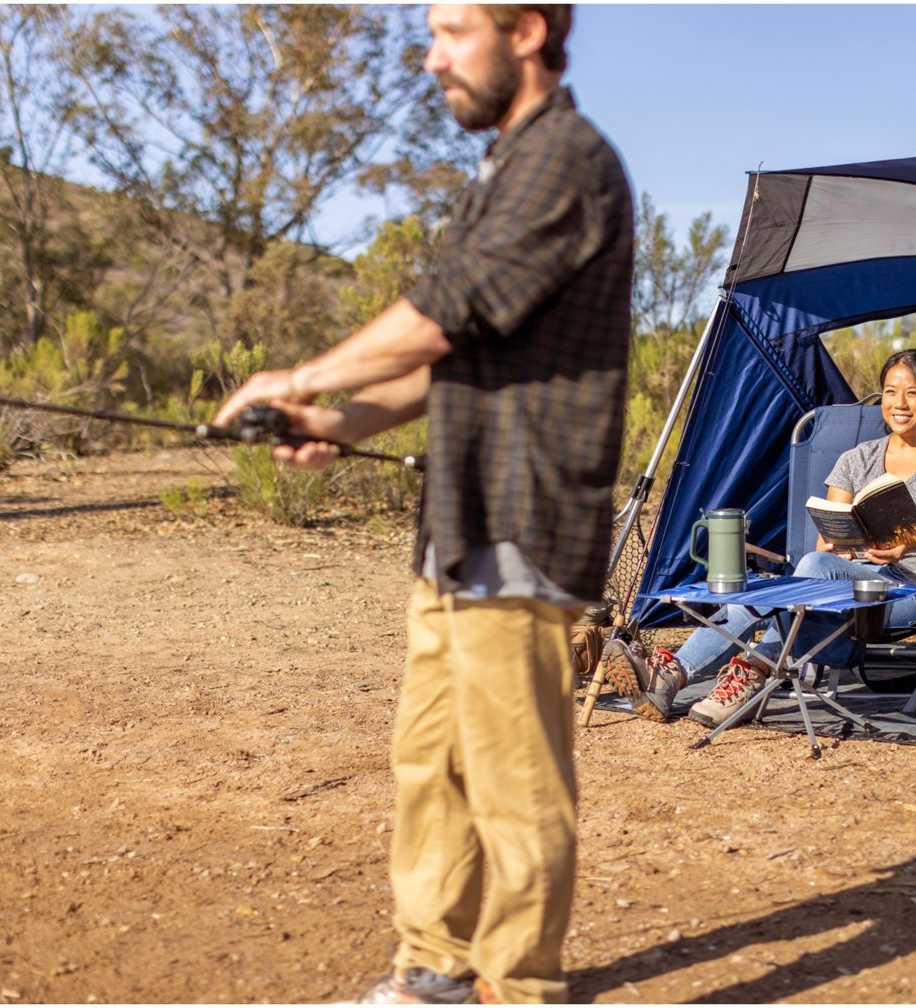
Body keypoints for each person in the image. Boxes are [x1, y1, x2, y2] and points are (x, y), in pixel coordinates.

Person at [212, 5, 632, 1003]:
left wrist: (297, 376)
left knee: (517, 789)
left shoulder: (566, 157)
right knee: (430, 769)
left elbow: (449, 309)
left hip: (524, 525)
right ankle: (432, 972)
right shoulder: (503, 168)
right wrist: (335, 421)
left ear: (526, 31)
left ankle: (521, 988)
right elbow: (450, 353)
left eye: (451, 30)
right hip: (455, 523)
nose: (431, 55)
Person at [610, 348, 916, 726]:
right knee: (793, 576)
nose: (899, 403)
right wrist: (851, 548)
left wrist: (910, 543)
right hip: (843, 579)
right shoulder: (856, 459)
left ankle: (720, 673)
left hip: (908, 588)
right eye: (890, 391)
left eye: (912, 393)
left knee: (805, 574)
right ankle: (704, 677)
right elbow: (827, 538)